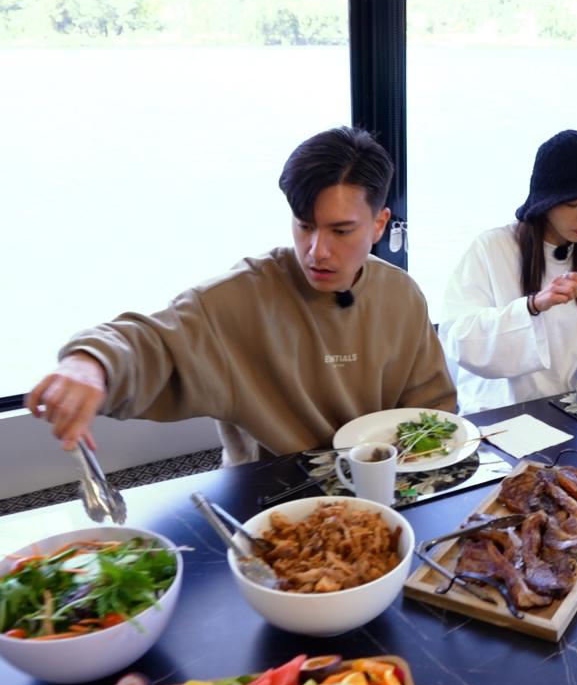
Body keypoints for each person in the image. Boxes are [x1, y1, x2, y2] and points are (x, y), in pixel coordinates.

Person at [26, 126, 456, 465]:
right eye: (304, 225)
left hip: (384, 488)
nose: (317, 251)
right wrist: (91, 363)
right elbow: (150, 341)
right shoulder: (243, 297)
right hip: (270, 501)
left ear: (379, 225)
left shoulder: (401, 295)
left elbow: (432, 410)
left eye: (341, 231)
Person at [439, 130, 577, 413]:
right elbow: (458, 337)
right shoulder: (492, 247)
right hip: (495, 412)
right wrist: (533, 306)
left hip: (565, 408)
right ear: (546, 202)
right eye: (573, 204)